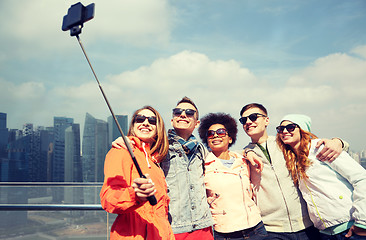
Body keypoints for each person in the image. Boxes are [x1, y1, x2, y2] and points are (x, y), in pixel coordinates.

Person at [240, 103, 348, 240]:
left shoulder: (285, 142)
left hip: (307, 225)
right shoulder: (243, 155)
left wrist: (339, 142)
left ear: (266, 120)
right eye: (243, 120)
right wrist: (247, 151)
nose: (248, 122)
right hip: (271, 229)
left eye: (253, 117)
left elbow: (313, 144)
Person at [113, 97, 214, 239]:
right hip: (173, 227)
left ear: (197, 123)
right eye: (178, 112)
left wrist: (249, 151)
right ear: (172, 120)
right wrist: (126, 139)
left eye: (189, 112)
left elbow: (222, 158)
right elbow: (142, 145)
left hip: (203, 226)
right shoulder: (160, 146)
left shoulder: (201, 150)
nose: (183, 115)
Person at [276, 114, 366, 240]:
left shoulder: (320, 148)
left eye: (290, 127)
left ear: (302, 130)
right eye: (280, 129)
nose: (284, 131)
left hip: (350, 227)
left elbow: (360, 178)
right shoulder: (291, 160)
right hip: (324, 233)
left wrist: (362, 221)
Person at [100, 106, 174, 240]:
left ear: (158, 128)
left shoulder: (156, 163)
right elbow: (108, 199)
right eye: (140, 119)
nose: (145, 123)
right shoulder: (121, 151)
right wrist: (135, 195)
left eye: (152, 120)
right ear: (133, 126)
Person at [198, 112, 267, 240]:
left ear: (230, 138)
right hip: (224, 232)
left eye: (221, 132)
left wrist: (248, 151)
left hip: (255, 228)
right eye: (210, 134)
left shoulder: (244, 160)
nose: (215, 136)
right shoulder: (202, 165)